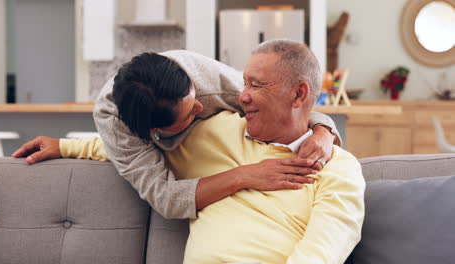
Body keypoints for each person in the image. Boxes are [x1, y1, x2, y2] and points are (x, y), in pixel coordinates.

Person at [32, 40, 365, 263]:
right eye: (245, 84)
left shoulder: (336, 167)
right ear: (155, 133)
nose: (243, 96)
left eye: (255, 85)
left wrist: (324, 130)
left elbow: (323, 251)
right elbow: (133, 159)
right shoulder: (210, 134)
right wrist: (65, 146)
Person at [12, 47, 341, 220]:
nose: (200, 107)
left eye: (195, 98)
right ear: (154, 133)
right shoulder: (116, 124)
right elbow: (166, 197)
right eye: (189, 113)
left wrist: (324, 129)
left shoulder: (201, 77)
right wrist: (246, 175)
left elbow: (285, 107)